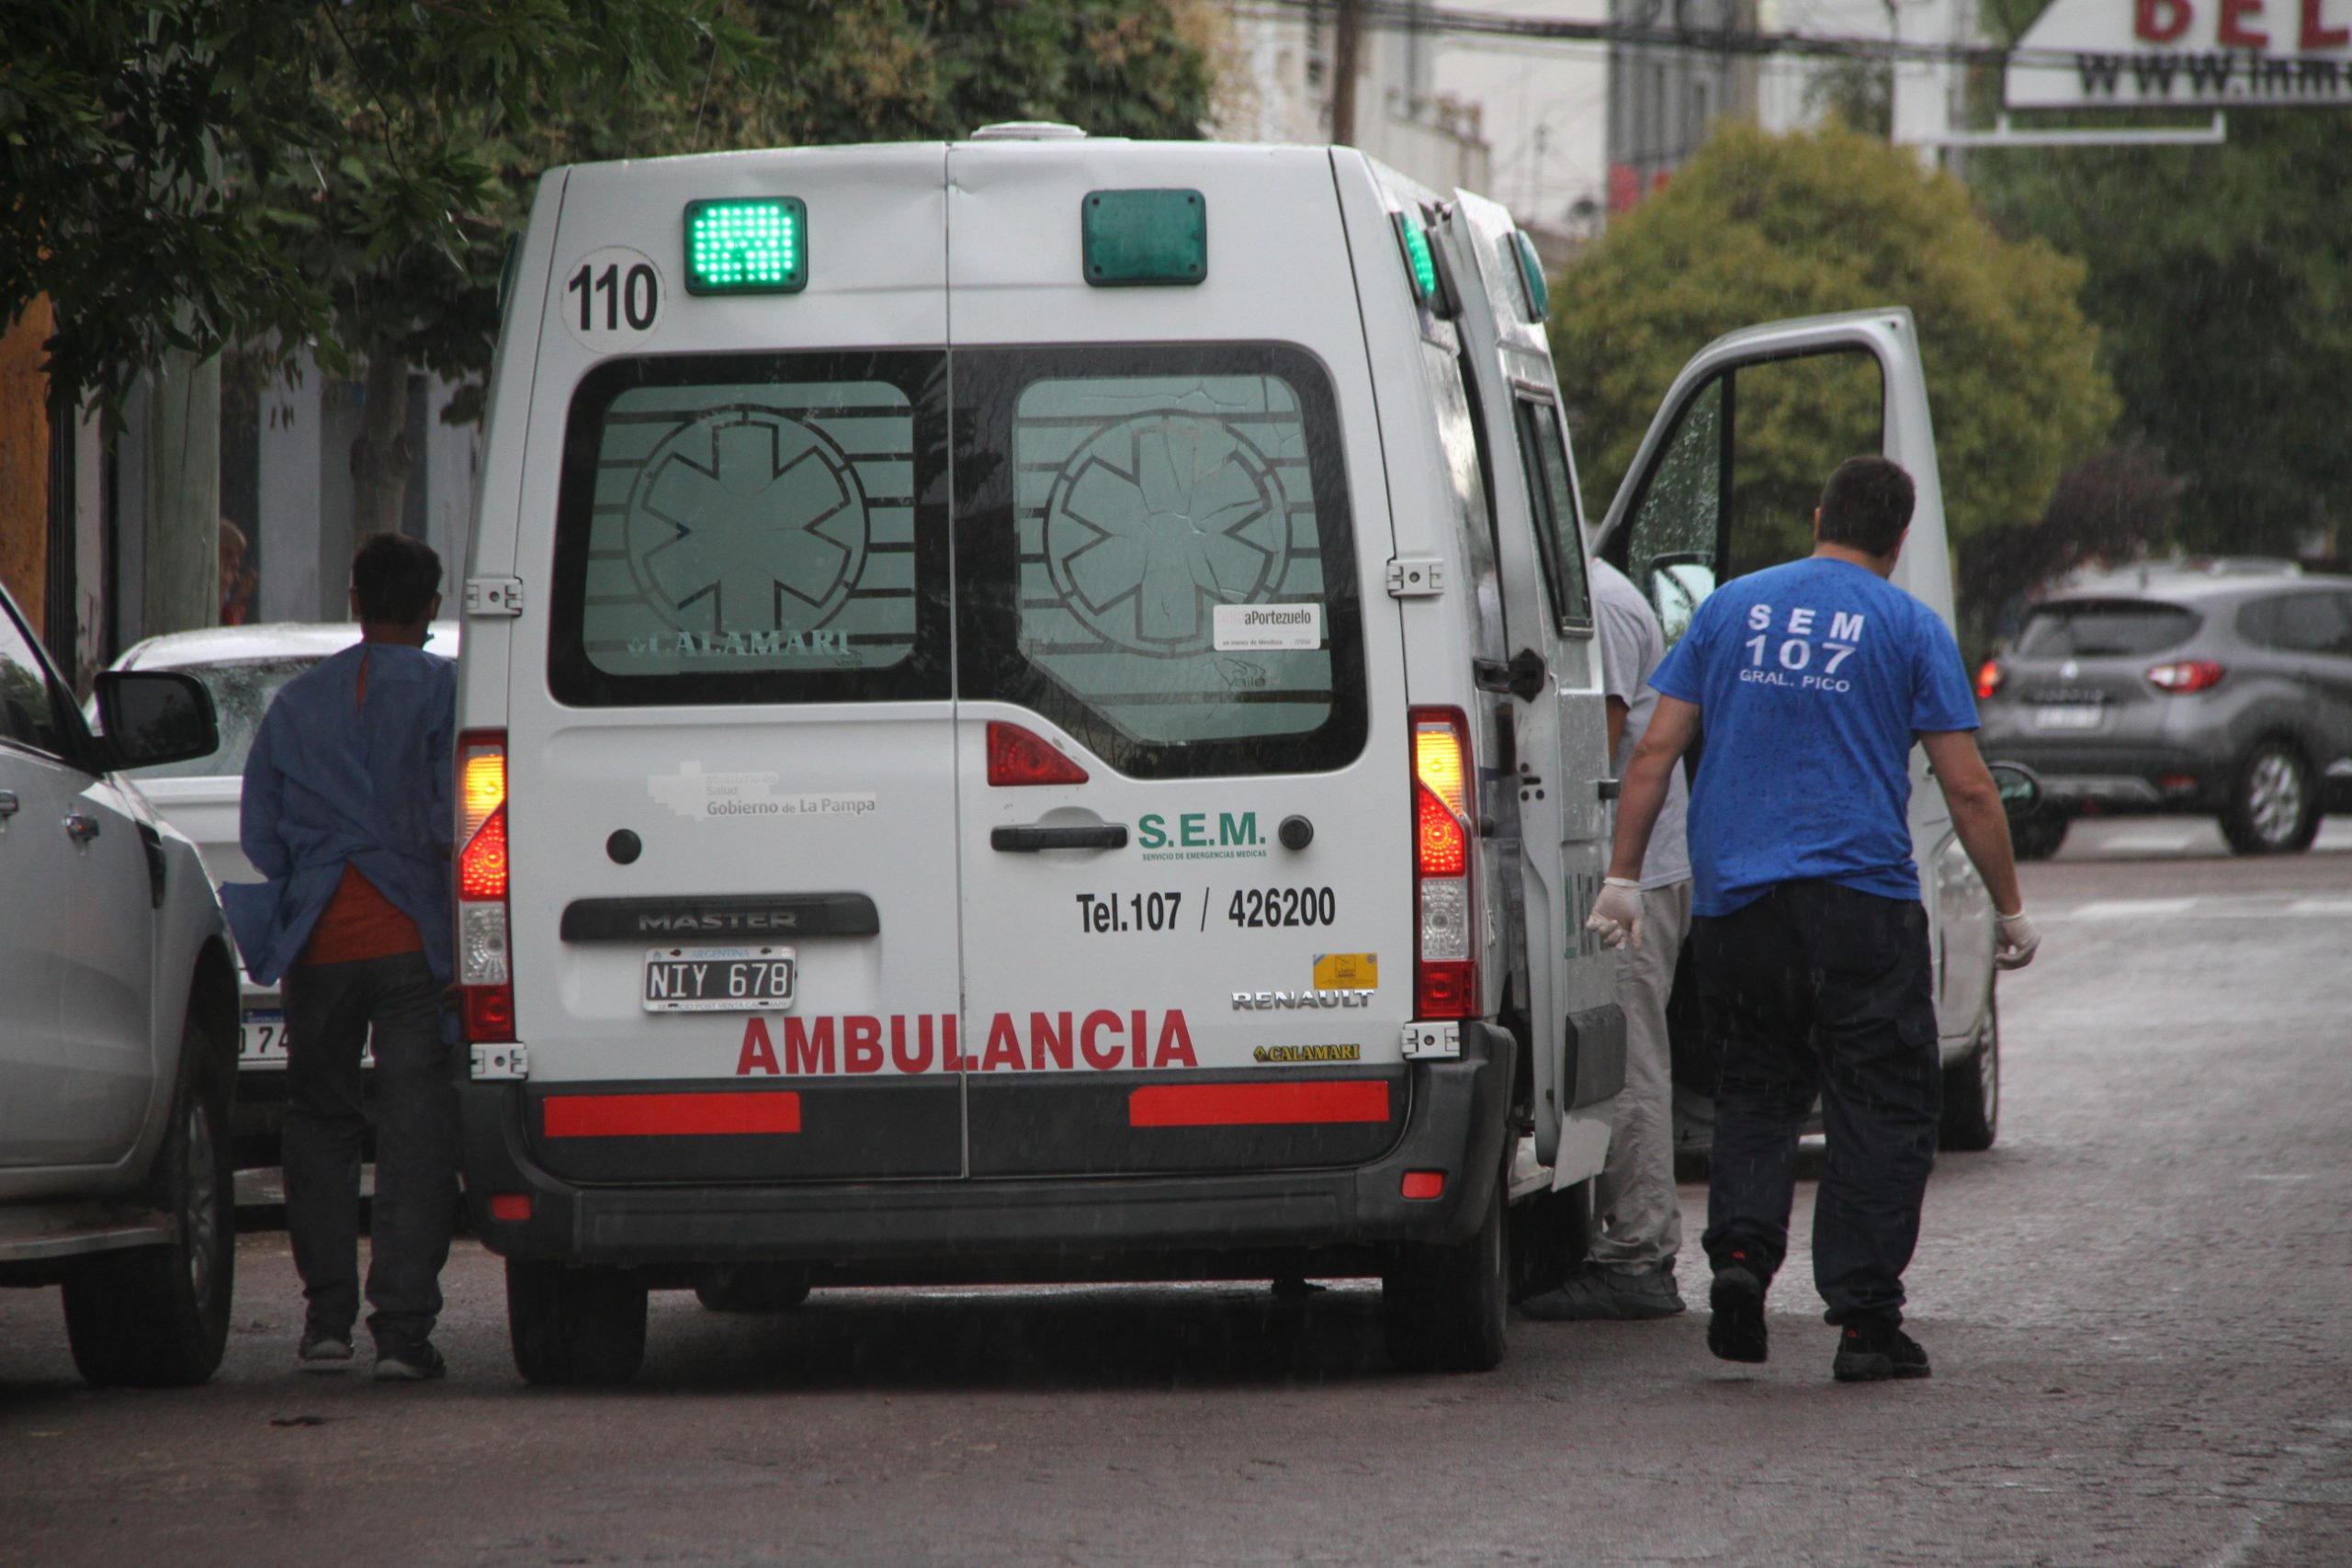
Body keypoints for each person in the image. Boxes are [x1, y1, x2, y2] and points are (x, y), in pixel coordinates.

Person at [1586, 456, 2039, 1384]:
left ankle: (1742, 1262)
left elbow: (1654, 752)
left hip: (1738, 907)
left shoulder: (1726, 611)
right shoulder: (1909, 628)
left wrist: (1622, 878)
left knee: (1755, 1088)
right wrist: (2010, 908)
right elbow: (1967, 788)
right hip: (1860, 907)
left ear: (1817, 513)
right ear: (1899, 537)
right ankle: (1865, 1323)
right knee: (1878, 1102)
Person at [223, 533, 458, 1382]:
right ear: (431, 607)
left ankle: (326, 1324)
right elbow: (450, 817)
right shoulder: (446, 691)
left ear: (355, 601)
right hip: (410, 940)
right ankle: (401, 1331)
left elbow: (261, 834)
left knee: (320, 1122)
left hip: (319, 943)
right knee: (414, 1131)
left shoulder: (299, 704)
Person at [1521, 555, 1692, 1322]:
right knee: (1608, 1055)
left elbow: (1597, 745)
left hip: (1631, 873)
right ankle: (1615, 1237)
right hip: (1606, 867)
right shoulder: (1565, 591)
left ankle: (1640, 1253)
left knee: (1628, 1057)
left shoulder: (1607, 605)